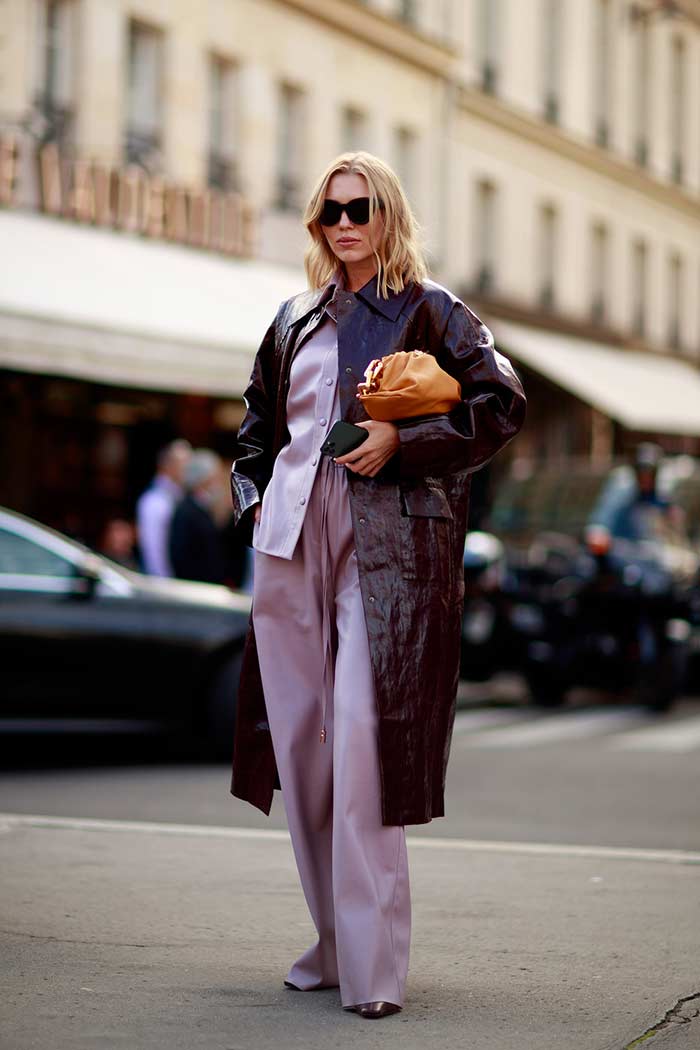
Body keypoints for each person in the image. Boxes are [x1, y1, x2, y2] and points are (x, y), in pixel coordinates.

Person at [229, 151, 526, 1019]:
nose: (345, 225)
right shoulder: (292, 317)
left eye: (359, 209)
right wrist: (252, 500)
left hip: (385, 545)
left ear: (388, 213)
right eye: (330, 213)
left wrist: (406, 442)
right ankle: (330, 943)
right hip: (287, 540)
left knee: (362, 743)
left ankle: (373, 966)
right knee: (306, 758)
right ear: (317, 225)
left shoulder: (433, 310)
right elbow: (255, 423)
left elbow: (499, 404)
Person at [169, 449, 228, 584]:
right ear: (204, 479)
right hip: (194, 588)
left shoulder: (204, 509)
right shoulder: (186, 511)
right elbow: (181, 556)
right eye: (216, 477)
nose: (219, 483)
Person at [136, 439, 191, 576]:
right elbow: (154, 551)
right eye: (185, 464)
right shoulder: (154, 501)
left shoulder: (179, 496)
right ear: (168, 465)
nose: (189, 470)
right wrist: (165, 584)